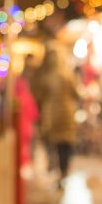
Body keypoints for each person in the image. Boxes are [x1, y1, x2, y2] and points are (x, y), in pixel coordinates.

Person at [35, 48, 79, 188]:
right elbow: (76, 93)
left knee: (55, 144)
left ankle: (58, 171)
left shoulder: (45, 76)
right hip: (65, 113)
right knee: (65, 144)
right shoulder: (67, 74)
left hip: (52, 114)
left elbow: (39, 95)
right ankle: (63, 171)